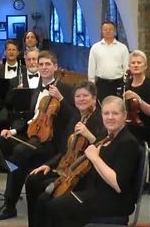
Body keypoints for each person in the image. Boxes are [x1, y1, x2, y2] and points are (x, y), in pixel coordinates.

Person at [31, 96, 142, 227]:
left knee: (56, 207)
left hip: (112, 201)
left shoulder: (128, 143)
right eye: (106, 113)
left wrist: (95, 158)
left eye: (115, 113)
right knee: (44, 199)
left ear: (124, 116)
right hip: (95, 191)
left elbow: (118, 185)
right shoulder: (107, 136)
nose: (110, 117)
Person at [0, 50, 76, 220]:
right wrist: (13, 131)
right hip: (33, 137)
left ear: (55, 67)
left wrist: (60, 100)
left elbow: (73, 118)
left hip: (51, 143)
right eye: (41, 64)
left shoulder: (66, 89)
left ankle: (10, 204)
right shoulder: (37, 90)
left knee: (20, 153)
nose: (44, 67)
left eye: (47, 64)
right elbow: (33, 118)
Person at [22, 82, 105, 224]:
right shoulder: (75, 118)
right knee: (32, 180)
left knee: (44, 198)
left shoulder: (100, 120)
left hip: (81, 173)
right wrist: (48, 165)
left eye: (85, 95)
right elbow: (63, 151)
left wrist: (88, 134)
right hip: (64, 167)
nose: (81, 99)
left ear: (94, 98)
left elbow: (103, 148)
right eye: (78, 96)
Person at [88, 21, 129, 101]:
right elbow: (91, 68)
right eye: (105, 29)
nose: (108, 31)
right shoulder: (95, 47)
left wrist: (125, 84)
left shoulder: (122, 48)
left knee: (117, 107)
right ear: (102, 31)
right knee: (101, 107)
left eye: (110, 29)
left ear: (115, 31)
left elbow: (126, 67)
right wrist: (91, 85)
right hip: (101, 84)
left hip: (118, 83)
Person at [122, 50, 150, 128]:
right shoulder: (127, 84)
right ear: (129, 67)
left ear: (145, 66)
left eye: (139, 63)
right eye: (133, 63)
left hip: (146, 126)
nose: (136, 65)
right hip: (129, 124)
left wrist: (138, 98)